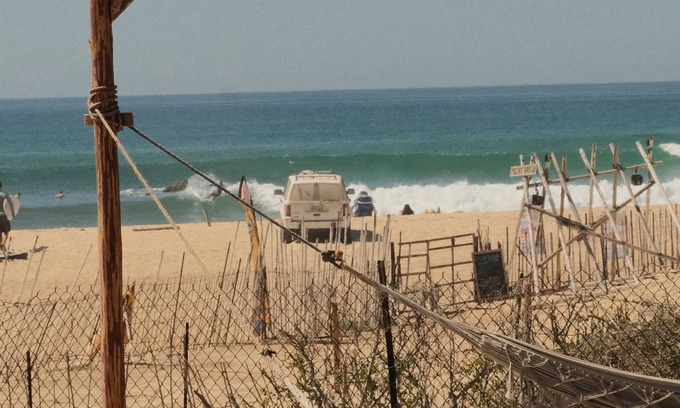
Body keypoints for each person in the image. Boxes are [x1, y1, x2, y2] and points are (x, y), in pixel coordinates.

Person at [0, 182, 10, 252]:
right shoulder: (5, 194)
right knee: (6, 231)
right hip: (4, 215)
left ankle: (1, 245)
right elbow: (9, 205)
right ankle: (3, 243)